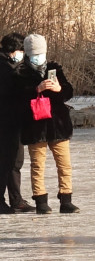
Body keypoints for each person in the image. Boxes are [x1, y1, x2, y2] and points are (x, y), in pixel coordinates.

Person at [13, 34, 78, 215]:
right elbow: (17, 100)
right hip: (35, 126)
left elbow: (68, 92)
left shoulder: (54, 68)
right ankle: (40, 199)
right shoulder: (20, 73)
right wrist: (36, 90)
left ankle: (66, 199)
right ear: (27, 53)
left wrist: (59, 89)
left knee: (64, 163)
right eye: (34, 54)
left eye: (40, 53)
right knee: (37, 164)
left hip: (58, 124)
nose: (38, 56)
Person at [0, 32, 33, 214]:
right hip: (6, 121)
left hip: (13, 121)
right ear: (14, 50)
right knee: (6, 161)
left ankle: (16, 199)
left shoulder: (12, 65)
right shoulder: (5, 68)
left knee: (15, 161)